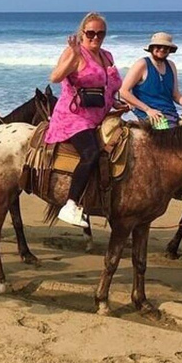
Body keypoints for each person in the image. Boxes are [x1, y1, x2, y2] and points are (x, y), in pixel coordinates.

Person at [45, 12, 123, 228]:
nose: (95, 37)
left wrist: (116, 103)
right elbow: (55, 77)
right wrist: (72, 54)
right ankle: (70, 205)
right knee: (91, 153)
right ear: (82, 33)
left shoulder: (107, 56)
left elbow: (108, 87)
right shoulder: (75, 53)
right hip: (74, 117)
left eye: (100, 33)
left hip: (101, 115)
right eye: (90, 33)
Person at [119, 32, 182, 128]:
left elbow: (175, 94)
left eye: (165, 47)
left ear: (169, 50)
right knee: (173, 138)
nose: (162, 49)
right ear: (151, 48)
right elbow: (123, 91)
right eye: (158, 46)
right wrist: (148, 110)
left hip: (171, 114)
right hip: (151, 115)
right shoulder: (142, 64)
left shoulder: (171, 65)